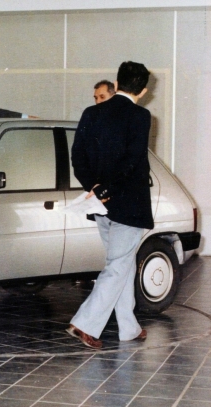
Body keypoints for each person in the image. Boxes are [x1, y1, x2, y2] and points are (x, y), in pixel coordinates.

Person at [67, 61, 153, 349]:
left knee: (121, 262)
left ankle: (128, 327)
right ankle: (84, 323)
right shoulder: (140, 116)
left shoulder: (91, 113)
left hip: (100, 204)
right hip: (129, 203)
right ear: (143, 90)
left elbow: (77, 156)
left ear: (117, 84)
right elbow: (132, 159)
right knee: (118, 265)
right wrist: (108, 189)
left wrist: (95, 188)